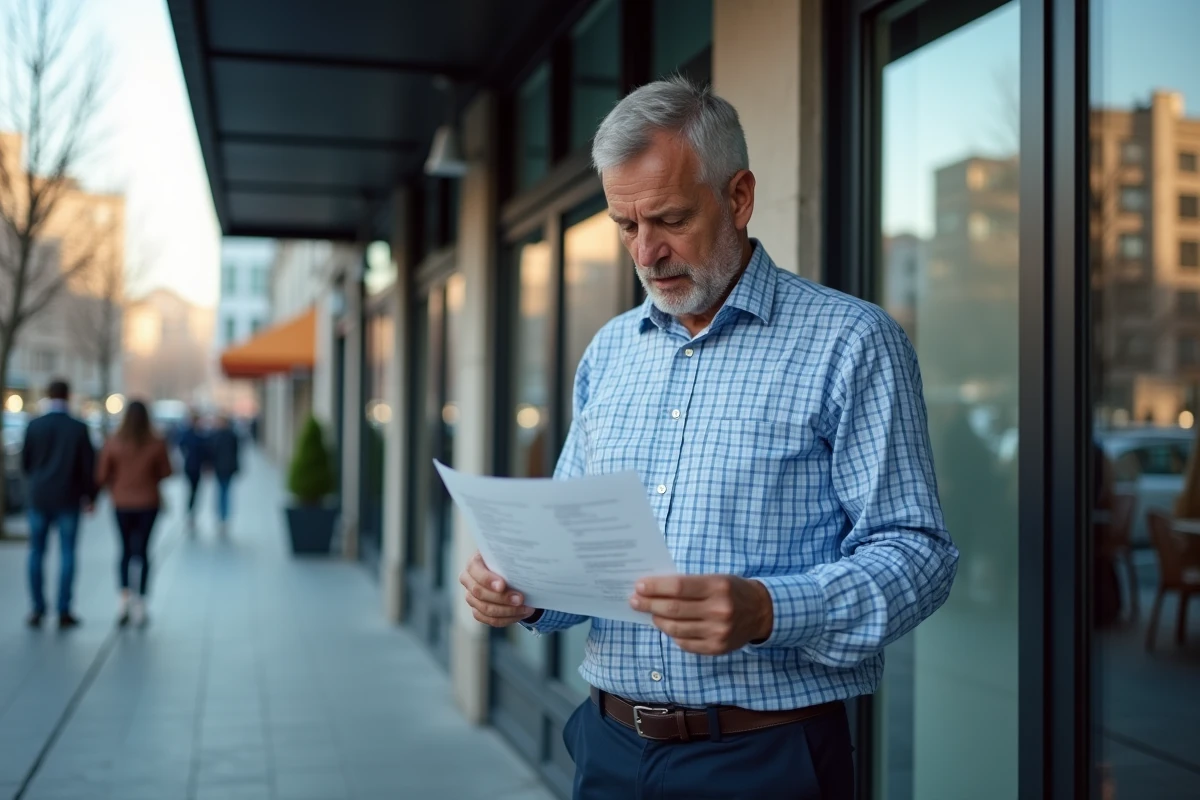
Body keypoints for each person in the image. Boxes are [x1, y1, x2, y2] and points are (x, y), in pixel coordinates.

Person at [458, 77, 959, 799]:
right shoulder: (609, 352)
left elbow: (919, 553)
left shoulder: (852, 342)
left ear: (739, 197)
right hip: (607, 749)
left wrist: (769, 610)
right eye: (625, 226)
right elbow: (579, 555)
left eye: (668, 219)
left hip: (765, 760)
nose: (647, 252)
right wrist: (524, 587)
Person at [21, 379, 96, 629]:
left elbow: (26, 463)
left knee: (36, 553)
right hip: (69, 498)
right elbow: (88, 468)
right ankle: (64, 609)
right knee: (67, 554)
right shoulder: (78, 427)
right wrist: (91, 497)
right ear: (69, 396)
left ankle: (37, 608)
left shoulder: (34, 425)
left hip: (39, 497)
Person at [96, 400, 173, 627]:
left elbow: (101, 474)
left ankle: (124, 599)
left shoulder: (113, 442)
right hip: (148, 502)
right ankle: (141, 602)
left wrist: (116, 485)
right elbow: (167, 471)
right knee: (144, 551)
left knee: (125, 550)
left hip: (121, 503)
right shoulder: (156, 443)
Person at [176, 410, 209, 534]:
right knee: (191, 491)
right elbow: (181, 445)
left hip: (197, 467)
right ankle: (190, 512)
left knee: (195, 491)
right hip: (190, 467)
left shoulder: (200, 434)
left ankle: (192, 512)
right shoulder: (189, 433)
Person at [208, 414, 240, 536]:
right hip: (220, 468)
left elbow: (236, 452)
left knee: (224, 491)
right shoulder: (217, 435)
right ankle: (221, 516)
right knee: (222, 491)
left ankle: (224, 517)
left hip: (227, 468)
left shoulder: (229, 435)